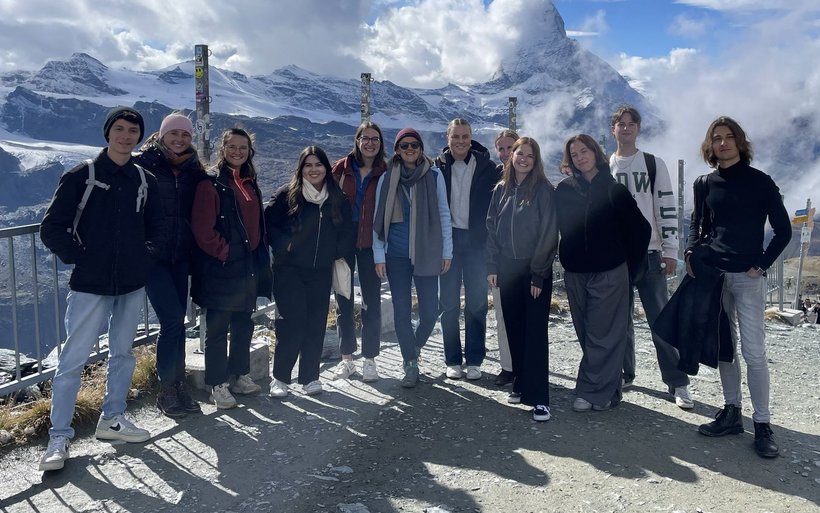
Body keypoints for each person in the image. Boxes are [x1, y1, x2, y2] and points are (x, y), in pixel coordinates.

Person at [38, 107, 166, 471]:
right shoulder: (82, 176)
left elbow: (158, 228)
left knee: (123, 353)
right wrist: (82, 258)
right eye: (120, 129)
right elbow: (53, 227)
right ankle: (59, 436)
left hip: (129, 282)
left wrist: (146, 258)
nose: (126, 136)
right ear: (108, 132)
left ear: (140, 136)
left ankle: (113, 418)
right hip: (90, 284)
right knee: (72, 361)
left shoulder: (145, 180)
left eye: (133, 131)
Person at [687, 116, 791, 458]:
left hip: (748, 279)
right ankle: (732, 412)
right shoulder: (704, 182)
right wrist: (691, 252)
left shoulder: (760, 182)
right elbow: (697, 224)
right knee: (724, 348)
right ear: (710, 145)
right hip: (714, 276)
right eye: (716, 138)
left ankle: (762, 423)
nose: (723, 143)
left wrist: (760, 266)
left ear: (740, 142)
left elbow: (783, 231)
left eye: (729, 137)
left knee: (754, 353)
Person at [555, 134, 650, 413]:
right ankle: (611, 389)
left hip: (609, 271)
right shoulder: (564, 190)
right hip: (575, 273)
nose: (580, 157)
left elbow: (640, 231)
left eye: (585, 151)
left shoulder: (614, 190)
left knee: (603, 334)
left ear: (596, 153)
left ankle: (590, 391)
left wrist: (628, 267)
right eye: (574, 154)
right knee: (587, 331)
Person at [609, 106, 693, 409]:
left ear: (638, 129)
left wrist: (670, 249)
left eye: (631, 124)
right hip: (618, 257)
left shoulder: (652, 164)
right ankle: (623, 373)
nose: (626, 128)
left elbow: (666, 207)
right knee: (620, 320)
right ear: (613, 130)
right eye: (621, 124)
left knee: (660, 318)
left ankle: (677, 381)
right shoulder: (607, 166)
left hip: (650, 253)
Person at [191, 127, 272, 409]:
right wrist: (225, 252)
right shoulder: (210, 184)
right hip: (221, 268)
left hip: (247, 266)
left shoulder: (249, 182)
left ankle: (239, 376)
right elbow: (203, 230)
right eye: (232, 147)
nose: (238, 152)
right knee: (217, 328)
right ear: (222, 149)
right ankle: (217, 384)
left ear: (250, 151)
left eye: (243, 147)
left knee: (243, 324)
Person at [266, 146, 354, 397]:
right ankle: (281, 378)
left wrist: (334, 251)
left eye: (318, 165)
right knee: (291, 324)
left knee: (316, 324)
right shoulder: (287, 196)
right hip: (289, 271)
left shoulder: (336, 198)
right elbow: (269, 224)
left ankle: (310, 377)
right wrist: (286, 247)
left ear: (326, 168)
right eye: (308, 165)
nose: (314, 169)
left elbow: (348, 231)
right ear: (301, 169)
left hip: (320, 271)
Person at [135, 112, 207, 418]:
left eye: (185, 135)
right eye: (173, 134)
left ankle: (178, 386)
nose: (179, 140)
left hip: (181, 257)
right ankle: (167, 388)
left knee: (178, 322)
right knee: (172, 321)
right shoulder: (144, 164)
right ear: (161, 135)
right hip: (154, 259)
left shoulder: (193, 170)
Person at [373, 128, 453, 388]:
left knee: (430, 312)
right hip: (395, 254)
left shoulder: (434, 175)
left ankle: (414, 346)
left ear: (421, 149)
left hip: (427, 252)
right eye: (404, 146)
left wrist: (446, 251)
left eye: (414, 145)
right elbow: (379, 217)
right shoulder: (387, 178)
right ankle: (410, 362)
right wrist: (378, 255)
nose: (409, 150)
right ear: (397, 149)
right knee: (402, 312)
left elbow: (443, 214)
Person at [486, 137, 558, 422]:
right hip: (507, 268)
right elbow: (490, 227)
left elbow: (549, 233)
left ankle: (540, 397)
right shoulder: (501, 190)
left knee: (535, 333)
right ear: (510, 156)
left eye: (529, 155)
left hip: (533, 271)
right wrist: (492, 264)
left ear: (536, 159)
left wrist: (539, 273)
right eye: (519, 153)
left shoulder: (543, 190)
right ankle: (519, 382)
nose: (523, 159)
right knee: (514, 328)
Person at [435, 119, 499, 381]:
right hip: (448, 242)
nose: (461, 141)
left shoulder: (488, 167)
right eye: (456, 136)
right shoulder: (437, 167)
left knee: (476, 303)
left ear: (472, 138)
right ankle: (452, 360)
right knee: (448, 304)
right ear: (448, 138)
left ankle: (474, 359)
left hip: (476, 243)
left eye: (465, 136)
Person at [329, 123, 387, 383]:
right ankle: (347, 358)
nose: (370, 143)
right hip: (343, 242)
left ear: (380, 142)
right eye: (366, 138)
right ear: (357, 140)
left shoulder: (386, 171)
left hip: (371, 243)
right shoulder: (341, 168)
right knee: (343, 299)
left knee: (371, 302)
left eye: (375, 139)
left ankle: (370, 359)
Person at [491, 129, 519, 386]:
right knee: (502, 315)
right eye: (501, 148)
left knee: (526, 317)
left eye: (511, 147)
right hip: (501, 262)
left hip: (526, 263)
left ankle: (526, 364)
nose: (506, 153)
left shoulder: (534, 182)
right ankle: (508, 366)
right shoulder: (495, 182)